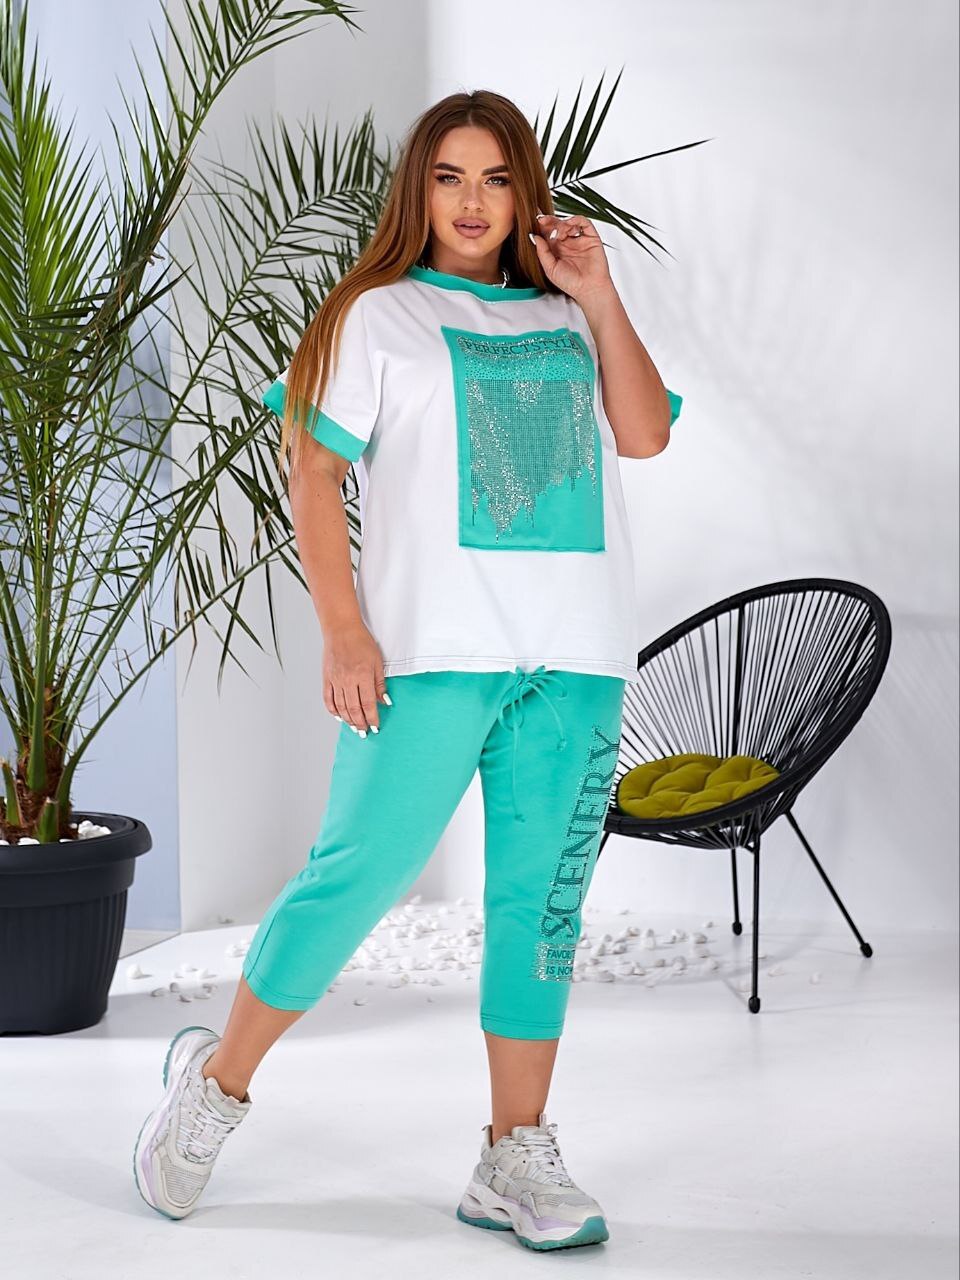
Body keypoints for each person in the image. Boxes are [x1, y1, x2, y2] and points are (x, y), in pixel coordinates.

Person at [133, 88, 682, 1251]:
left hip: (575, 658)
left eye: (496, 178)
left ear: (525, 192)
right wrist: (345, 629)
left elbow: (644, 433)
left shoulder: (573, 314)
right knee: (354, 877)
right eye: (448, 177)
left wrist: (599, 292)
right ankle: (215, 1086)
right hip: (431, 656)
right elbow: (313, 472)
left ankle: (512, 1152)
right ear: (418, 190)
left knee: (541, 907)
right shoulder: (374, 314)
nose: (473, 201)